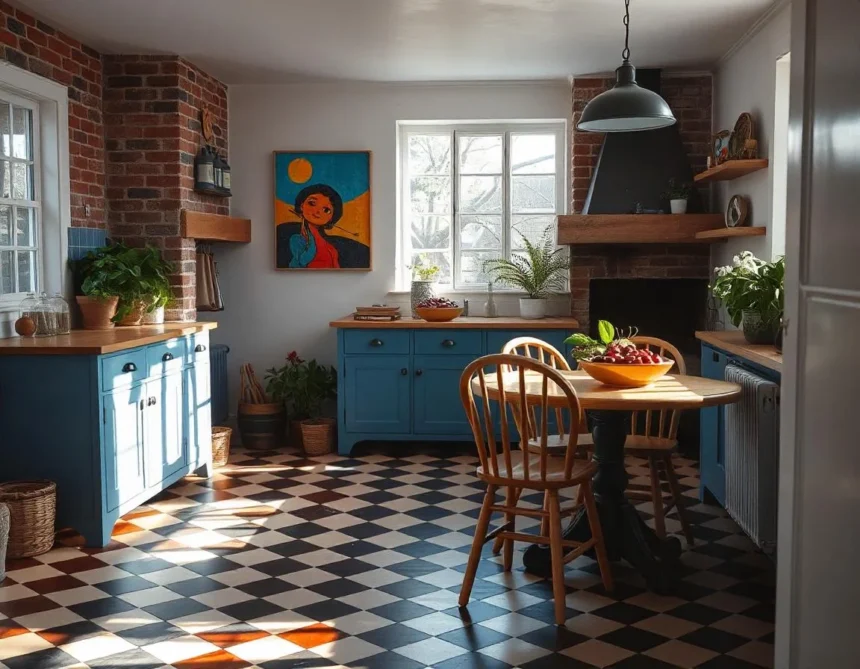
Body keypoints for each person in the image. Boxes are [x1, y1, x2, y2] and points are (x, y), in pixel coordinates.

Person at [276, 184, 370, 269]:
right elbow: (303, 261)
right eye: (312, 203)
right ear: (301, 206)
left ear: (331, 217)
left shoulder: (330, 246)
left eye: (326, 210)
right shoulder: (296, 239)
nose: (317, 211)